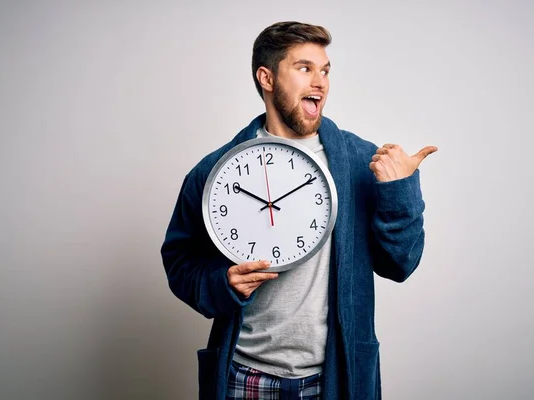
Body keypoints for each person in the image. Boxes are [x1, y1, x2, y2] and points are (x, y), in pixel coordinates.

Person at [161, 21, 437, 400]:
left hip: (334, 380)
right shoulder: (215, 170)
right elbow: (180, 262)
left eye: (324, 70)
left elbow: (400, 264)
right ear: (267, 78)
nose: (320, 82)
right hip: (244, 375)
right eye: (304, 68)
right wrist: (222, 283)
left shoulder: (361, 162)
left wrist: (399, 191)